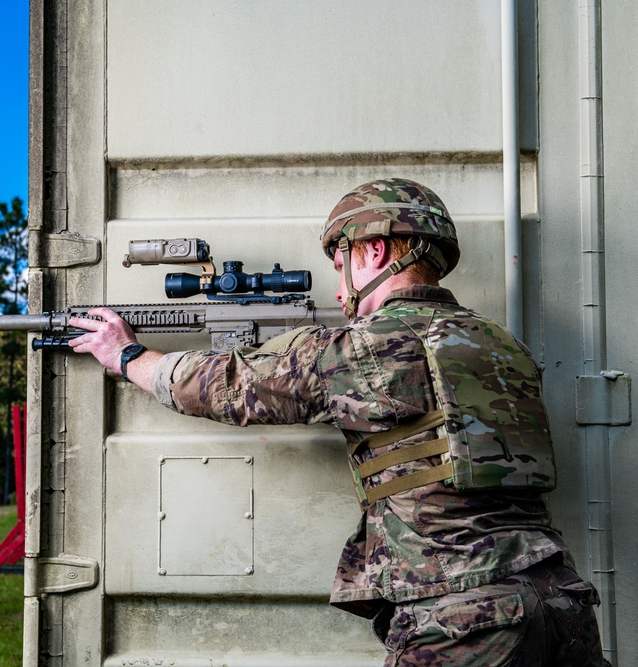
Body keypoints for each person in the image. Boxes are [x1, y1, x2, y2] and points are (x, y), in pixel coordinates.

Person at [68, 178, 606, 666]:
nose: (339, 288)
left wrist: (125, 354)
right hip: (562, 605)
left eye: (339, 263)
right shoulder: (501, 344)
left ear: (373, 249)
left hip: (464, 618)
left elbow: (226, 387)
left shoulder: (366, 347)